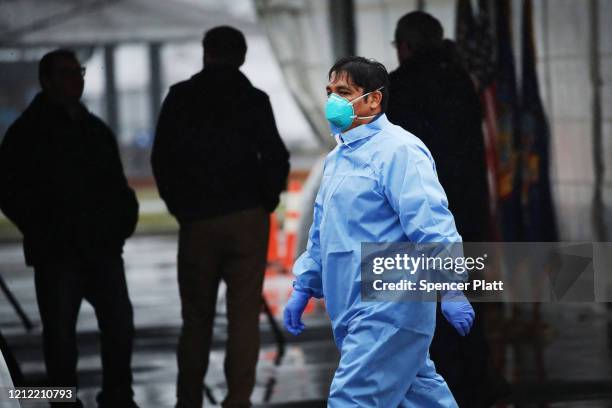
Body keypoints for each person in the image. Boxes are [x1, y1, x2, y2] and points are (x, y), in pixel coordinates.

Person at [283, 56, 474, 407]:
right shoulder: (338, 159)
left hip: (390, 305)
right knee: (419, 396)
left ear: (374, 99)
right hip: (352, 304)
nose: (332, 102)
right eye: (329, 92)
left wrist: (450, 285)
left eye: (344, 92)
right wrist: (305, 284)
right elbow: (322, 231)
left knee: (353, 399)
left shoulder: (399, 151)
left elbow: (430, 222)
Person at [151, 26, 290, 408]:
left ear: (205, 53)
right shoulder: (254, 99)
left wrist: (180, 207)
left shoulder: (181, 98)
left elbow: (163, 159)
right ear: (242, 57)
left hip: (198, 220)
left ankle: (189, 398)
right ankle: (238, 399)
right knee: (243, 317)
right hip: (247, 216)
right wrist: (264, 201)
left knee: (196, 319)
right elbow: (276, 157)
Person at [0, 49, 139, 407]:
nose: (76, 78)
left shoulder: (91, 130)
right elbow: (9, 191)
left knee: (116, 326)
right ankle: (66, 400)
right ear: (47, 81)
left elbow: (116, 185)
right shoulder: (28, 134)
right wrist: (45, 229)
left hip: (98, 247)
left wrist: (121, 221)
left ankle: (114, 394)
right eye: (67, 73)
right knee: (62, 336)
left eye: (78, 71)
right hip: (60, 252)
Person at [387, 11, 494, 407]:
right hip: (464, 213)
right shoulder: (462, 82)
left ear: (405, 46)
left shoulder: (398, 90)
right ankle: (475, 383)